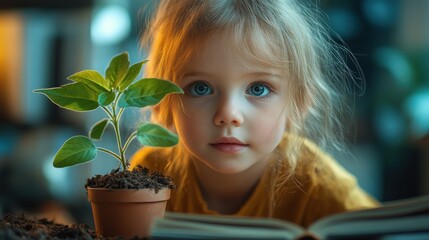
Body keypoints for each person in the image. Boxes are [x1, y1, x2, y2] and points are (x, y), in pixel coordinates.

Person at [130, 0, 379, 227]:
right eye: (200, 88)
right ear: (162, 100)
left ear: (300, 102)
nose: (229, 115)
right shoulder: (150, 174)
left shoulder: (318, 183)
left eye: (258, 89)